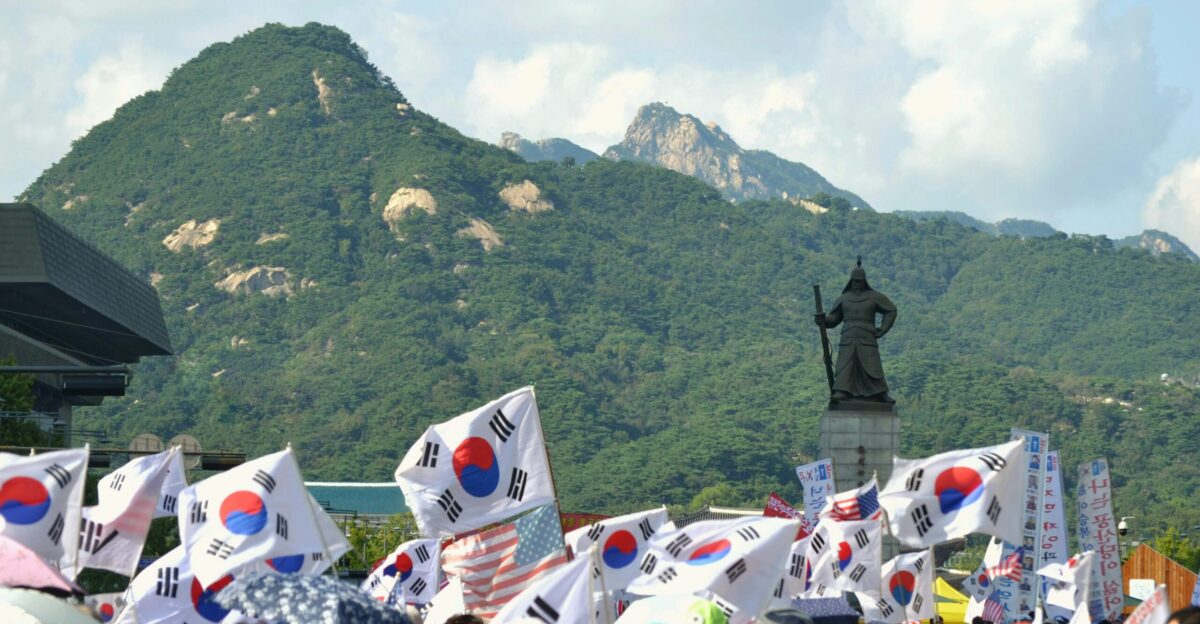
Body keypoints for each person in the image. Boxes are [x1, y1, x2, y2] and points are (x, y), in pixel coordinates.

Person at [816, 261, 897, 402]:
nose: (857, 284)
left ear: (864, 282)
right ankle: (842, 391)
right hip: (848, 337)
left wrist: (883, 329)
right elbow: (834, 319)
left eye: (859, 282)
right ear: (850, 282)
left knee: (872, 366)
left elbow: (891, 310)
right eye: (854, 282)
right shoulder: (844, 299)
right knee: (845, 365)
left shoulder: (873, 297)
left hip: (867, 338)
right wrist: (824, 321)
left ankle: (880, 393)